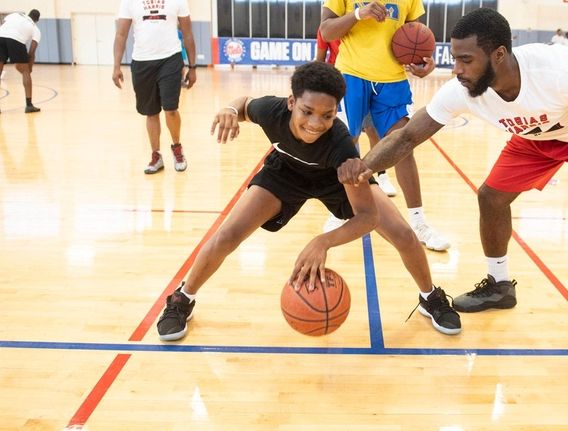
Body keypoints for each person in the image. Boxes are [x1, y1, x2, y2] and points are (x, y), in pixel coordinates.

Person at [338, 8, 568, 400]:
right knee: (491, 197)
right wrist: (364, 168)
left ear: (498, 55)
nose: (457, 70)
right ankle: (500, 286)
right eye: (454, 59)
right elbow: (407, 137)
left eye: (466, 60)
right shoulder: (464, 90)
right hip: (537, 139)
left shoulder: (557, 70)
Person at [155, 62, 461, 341]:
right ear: (291, 104)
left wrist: (323, 241)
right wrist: (230, 110)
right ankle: (184, 298)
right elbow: (245, 104)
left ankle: (429, 296)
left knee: (404, 236)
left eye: (327, 115)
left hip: (335, 179)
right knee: (228, 234)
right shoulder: (272, 112)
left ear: (335, 112)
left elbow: (367, 217)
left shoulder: (341, 146)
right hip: (286, 172)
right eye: (307, 111)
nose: (316, 123)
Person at [319, 0, 450, 251]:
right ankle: (340, 209)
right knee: (346, 145)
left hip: (393, 80)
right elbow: (326, 31)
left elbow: (415, 35)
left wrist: (424, 61)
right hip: (351, 75)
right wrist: (358, 14)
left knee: (403, 146)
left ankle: (419, 222)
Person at [113, 0, 197, 174]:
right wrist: (116, 66)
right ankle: (156, 155)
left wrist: (193, 67)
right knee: (151, 112)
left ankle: (177, 148)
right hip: (142, 62)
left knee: (171, 109)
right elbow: (121, 35)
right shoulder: (129, 2)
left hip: (170, 59)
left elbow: (188, 34)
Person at [315, 26, 398, 197]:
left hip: (367, 80)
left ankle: (382, 174)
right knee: (349, 135)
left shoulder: (360, 25)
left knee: (372, 130)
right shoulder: (327, 28)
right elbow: (320, 60)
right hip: (339, 85)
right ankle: (352, 177)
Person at [0, 9, 42, 114]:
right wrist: (29, 68)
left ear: (28, 14)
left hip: (0, 37)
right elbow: (31, 53)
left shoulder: (15, 14)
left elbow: (3, 22)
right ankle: (29, 105)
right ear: (37, 20)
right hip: (16, 40)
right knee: (25, 72)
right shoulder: (35, 29)